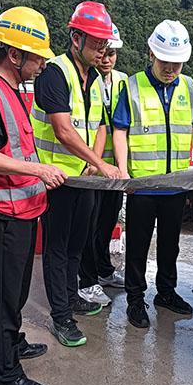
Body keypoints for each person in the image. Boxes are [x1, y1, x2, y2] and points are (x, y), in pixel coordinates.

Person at [0, 7, 66, 385]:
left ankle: (13, 343)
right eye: (37, 57)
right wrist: (40, 170)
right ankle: (4, 374)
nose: (42, 65)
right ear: (14, 54)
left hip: (19, 213)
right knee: (2, 297)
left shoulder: (14, 92)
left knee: (17, 290)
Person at [30, 1, 121, 347]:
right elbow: (63, 130)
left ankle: (71, 296)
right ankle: (61, 317)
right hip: (56, 178)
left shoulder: (96, 78)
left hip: (83, 177)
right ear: (76, 38)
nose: (102, 51)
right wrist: (101, 164)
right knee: (57, 248)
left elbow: (100, 125)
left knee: (76, 244)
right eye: (96, 43)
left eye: (105, 44)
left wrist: (93, 163)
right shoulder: (54, 73)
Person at [112, 19, 193, 329]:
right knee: (138, 245)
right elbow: (120, 130)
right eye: (165, 61)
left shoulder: (188, 87)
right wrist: (124, 173)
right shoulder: (132, 86)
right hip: (143, 185)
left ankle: (166, 293)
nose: (171, 69)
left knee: (170, 244)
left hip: (176, 184)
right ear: (151, 54)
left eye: (177, 63)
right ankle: (135, 298)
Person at [78, 23, 129, 307]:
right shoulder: (87, 79)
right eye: (104, 52)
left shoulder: (124, 82)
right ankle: (87, 279)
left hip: (114, 169)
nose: (107, 58)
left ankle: (104, 269)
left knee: (108, 221)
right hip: (90, 168)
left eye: (112, 53)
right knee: (88, 224)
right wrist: (92, 161)